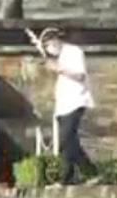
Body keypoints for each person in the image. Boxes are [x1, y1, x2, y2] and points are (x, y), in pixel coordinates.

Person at [34, 27, 98, 187]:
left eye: (49, 44)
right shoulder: (60, 56)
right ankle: (87, 174)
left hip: (77, 101)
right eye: (46, 46)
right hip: (63, 104)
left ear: (57, 39)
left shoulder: (74, 52)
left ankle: (69, 177)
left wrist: (59, 69)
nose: (49, 48)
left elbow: (80, 75)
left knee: (65, 139)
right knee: (70, 142)